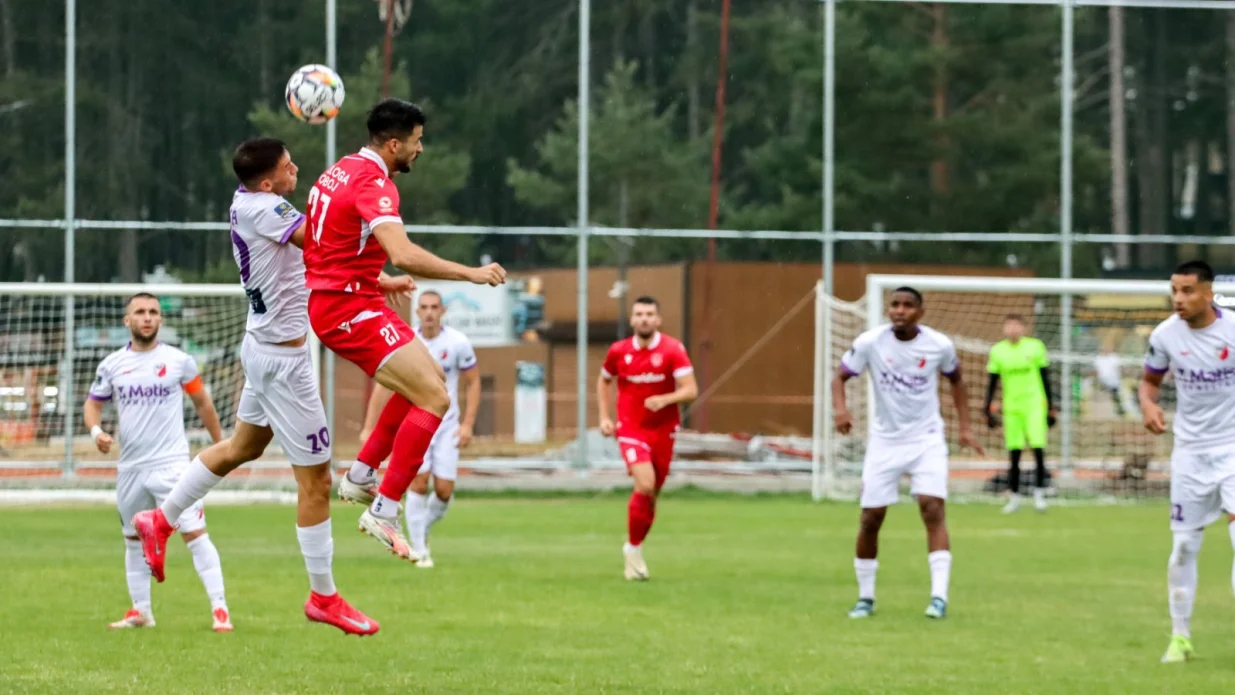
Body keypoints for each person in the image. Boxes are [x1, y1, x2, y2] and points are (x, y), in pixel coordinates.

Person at [132, 139, 387, 635]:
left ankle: (160, 521)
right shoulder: (269, 208)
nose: (298, 169)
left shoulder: (246, 200)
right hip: (284, 362)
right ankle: (324, 597)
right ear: (268, 182)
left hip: (266, 349)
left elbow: (316, 258)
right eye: (289, 166)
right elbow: (320, 242)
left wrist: (374, 280)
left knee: (241, 447)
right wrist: (373, 229)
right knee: (315, 481)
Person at [303, 98, 504, 560]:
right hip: (346, 308)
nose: (420, 150)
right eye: (416, 142)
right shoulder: (374, 183)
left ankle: (360, 476)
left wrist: (376, 280)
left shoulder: (337, 171)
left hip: (351, 296)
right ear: (394, 143)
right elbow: (406, 253)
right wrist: (471, 274)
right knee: (435, 397)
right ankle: (384, 508)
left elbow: (328, 248)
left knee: (428, 380)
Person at [833, 287, 983, 620]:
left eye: (908, 306)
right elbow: (840, 376)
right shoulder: (871, 342)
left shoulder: (938, 345)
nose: (900, 310)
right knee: (871, 517)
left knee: (932, 508)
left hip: (926, 439)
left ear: (920, 312)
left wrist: (965, 427)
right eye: (895, 305)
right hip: (884, 441)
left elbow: (957, 381)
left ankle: (938, 598)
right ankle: (865, 598)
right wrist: (840, 411)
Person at [84, 293, 231, 632]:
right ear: (127, 320)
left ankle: (220, 609)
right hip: (131, 468)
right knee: (133, 538)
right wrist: (96, 432)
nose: (147, 317)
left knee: (194, 533)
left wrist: (221, 446)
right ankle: (141, 611)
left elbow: (202, 403)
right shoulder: (111, 365)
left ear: (160, 321)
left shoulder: (179, 361)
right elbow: (93, 404)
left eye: (153, 312)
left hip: (172, 465)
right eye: (140, 312)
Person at [1140, 260, 1235, 664]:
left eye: (1188, 291)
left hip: (1233, 446)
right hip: (1191, 453)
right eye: (1174, 290)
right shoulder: (1164, 336)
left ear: (1209, 292)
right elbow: (1149, 381)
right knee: (1182, 547)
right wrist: (1148, 405)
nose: (1179, 299)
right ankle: (1180, 638)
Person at [357, 290, 480, 567]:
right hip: (416, 423)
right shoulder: (406, 343)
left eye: (434, 307)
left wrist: (468, 424)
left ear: (443, 311)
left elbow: (474, 382)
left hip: (447, 426)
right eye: (424, 307)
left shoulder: (458, 342)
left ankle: (420, 527)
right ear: (416, 311)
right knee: (419, 483)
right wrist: (369, 426)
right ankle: (420, 549)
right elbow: (383, 386)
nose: (429, 312)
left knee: (445, 490)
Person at [596, 296, 697, 581]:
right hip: (630, 429)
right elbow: (604, 380)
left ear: (658, 319)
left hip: (663, 431)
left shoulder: (672, 349)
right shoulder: (619, 351)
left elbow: (690, 390)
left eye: (649, 314)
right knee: (645, 482)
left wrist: (665, 399)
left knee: (651, 495)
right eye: (639, 314)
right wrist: (605, 417)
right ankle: (632, 549)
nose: (644, 319)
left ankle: (635, 547)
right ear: (632, 320)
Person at [984, 314, 1055, 514]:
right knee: (1014, 453)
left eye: (1016, 326)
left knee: (1038, 449)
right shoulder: (998, 351)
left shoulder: (1035, 347)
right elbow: (992, 381)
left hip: (1034, 404)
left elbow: (1045, 376)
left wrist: (1051, 406)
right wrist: (987, 408)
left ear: (1023, 328)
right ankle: (1014, 497)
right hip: (1012, 407)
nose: (1013, 329)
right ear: (1004, 328)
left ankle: (1040, 495)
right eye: (1009, 326)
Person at [1094, 345, 1127, 417]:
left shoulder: (1114, 357)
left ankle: (1120, 411)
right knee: (1103, 399)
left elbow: (1120, 368)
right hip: (1103, 381)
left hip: (1113, 382)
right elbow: (1097, 370)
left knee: (1115, 397)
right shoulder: (1099, 358)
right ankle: (1104, 414)